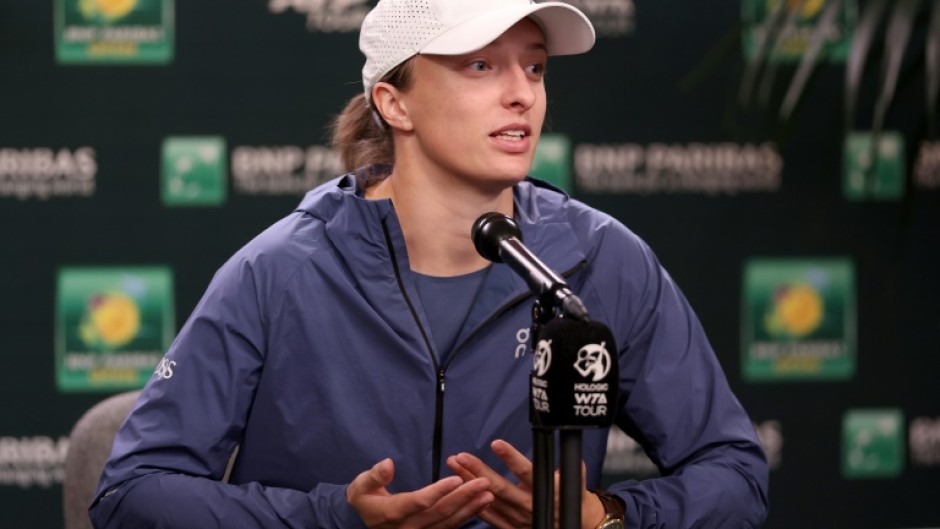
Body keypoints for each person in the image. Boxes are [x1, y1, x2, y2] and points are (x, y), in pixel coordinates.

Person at [89, 1, 769, 528]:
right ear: (395, 102)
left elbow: (734, 472)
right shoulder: (279, 271)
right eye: (481, 66)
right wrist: (335, 519)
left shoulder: (603, 261)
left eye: (534, 67)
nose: (522, 94)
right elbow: (131, 493)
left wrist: (604, 518)